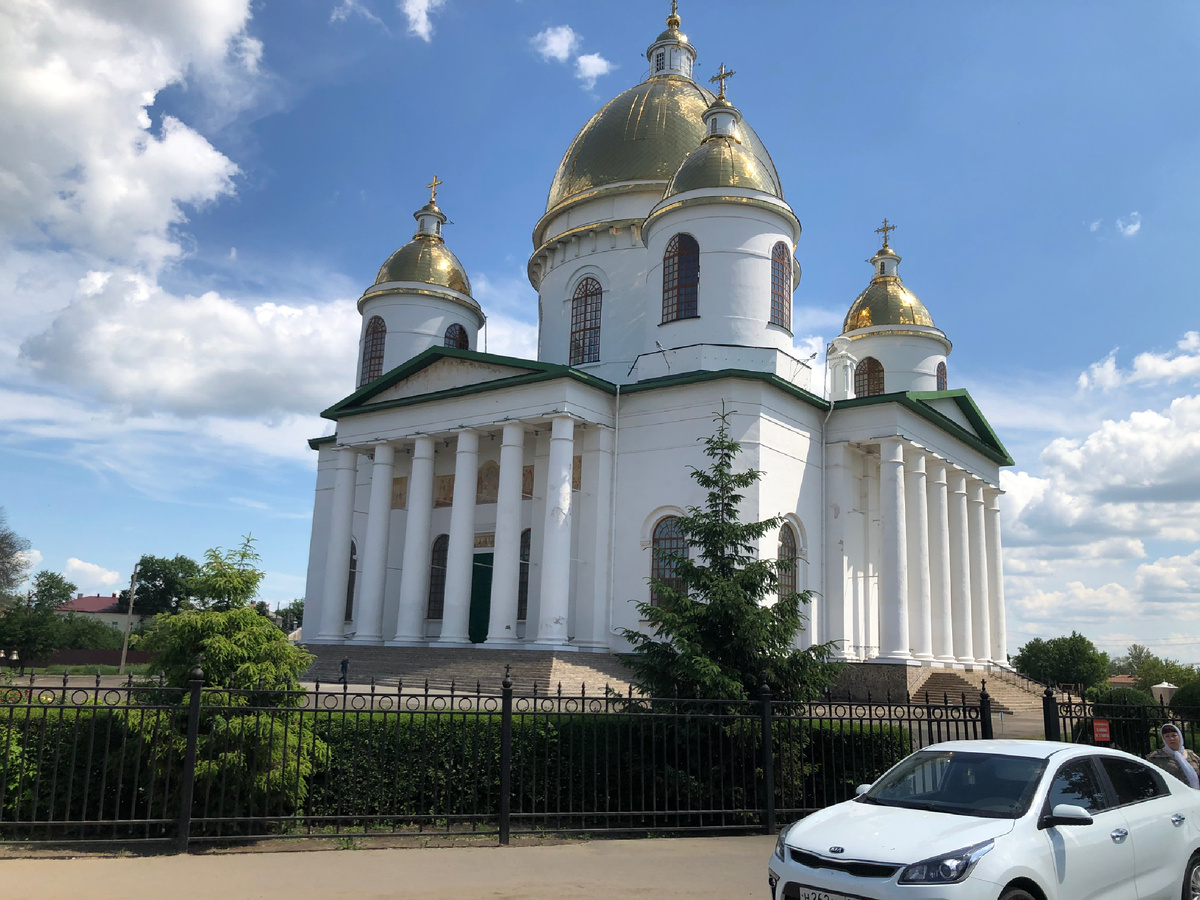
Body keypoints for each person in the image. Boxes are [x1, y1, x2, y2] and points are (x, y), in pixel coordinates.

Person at [1146, 723, 1200, 788]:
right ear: (1164, 739)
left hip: (1195, 793)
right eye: (1167, 736)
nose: (1171, 738)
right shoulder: (1156, 757)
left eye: (1174, 735)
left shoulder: (1191, 754)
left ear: (1179, 736)